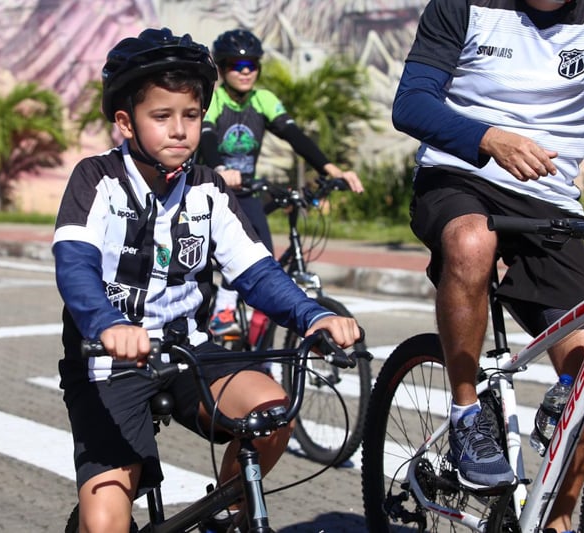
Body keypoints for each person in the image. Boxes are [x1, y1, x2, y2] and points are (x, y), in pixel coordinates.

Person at [53, 27, 361, 533]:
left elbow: (256, 271)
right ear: (126, 123)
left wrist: (314, 315)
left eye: (191, 116)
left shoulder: (208, 188)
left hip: (188, 351)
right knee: (105, 525)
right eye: (162, 117)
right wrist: (106, 323)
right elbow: (75, 265)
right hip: (108, 363)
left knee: (272, 412)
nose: (180, 130)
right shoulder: (96, 179)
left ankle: (227, 516)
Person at [393, 1, 584, 532]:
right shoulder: (462, 4)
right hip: (458, 174)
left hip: (549, 200)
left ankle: (557, 519)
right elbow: (411, 104)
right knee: (472, 243)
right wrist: (487, 137)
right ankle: (466, 413)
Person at [198, 28, 364, 336]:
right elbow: (206, 137)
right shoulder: (216, 99)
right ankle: (223, 308)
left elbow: (294, 136)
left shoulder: (263, 100)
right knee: (240, 249)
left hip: (247, 189)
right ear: (221, 69)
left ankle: (263, 352)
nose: (246, 72)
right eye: (236, 65)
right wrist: (219, 167)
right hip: (213, 186)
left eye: (252, 65)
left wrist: (331, 170)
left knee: (263, 256)